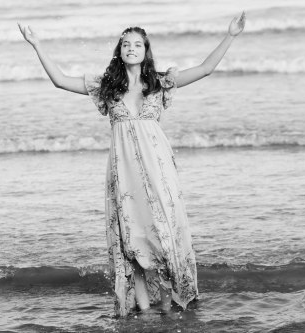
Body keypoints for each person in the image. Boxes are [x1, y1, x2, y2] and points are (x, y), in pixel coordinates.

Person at [18, 12, 246, 317]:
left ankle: (167, 305)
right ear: (120, 51)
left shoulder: (162, 82)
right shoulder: (106, 87)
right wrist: (36, 44)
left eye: (137, 44)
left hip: (159, 171)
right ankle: (142, 310)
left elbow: (205, 69)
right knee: (132, 239)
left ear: (145, 50)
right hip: (124, 173)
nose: (131, 47)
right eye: (126, 43)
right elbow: (59, 81)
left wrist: (230, 35)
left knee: (162, 237)